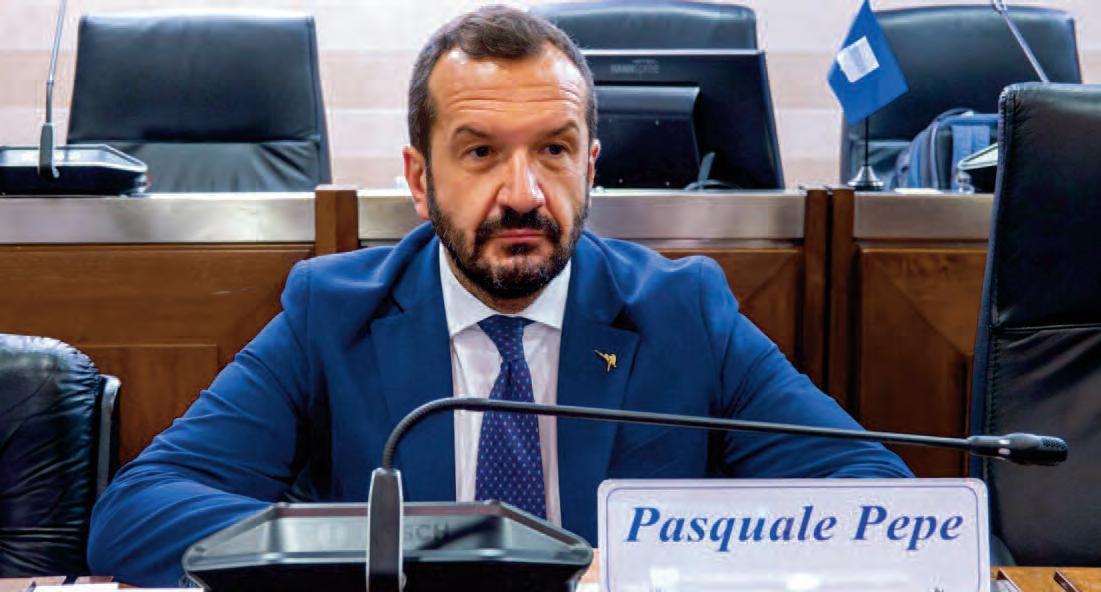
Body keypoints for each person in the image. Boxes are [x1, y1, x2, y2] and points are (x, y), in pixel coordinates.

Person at [87, 6, 911, 586]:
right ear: (420, 179)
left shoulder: (680, 312)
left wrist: (650, 567)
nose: (522, 193)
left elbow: (874, 499)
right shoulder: (334, 314)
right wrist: (403, 558)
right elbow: (139, 513)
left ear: (589, 167)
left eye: (553, 151)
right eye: (480, 153)